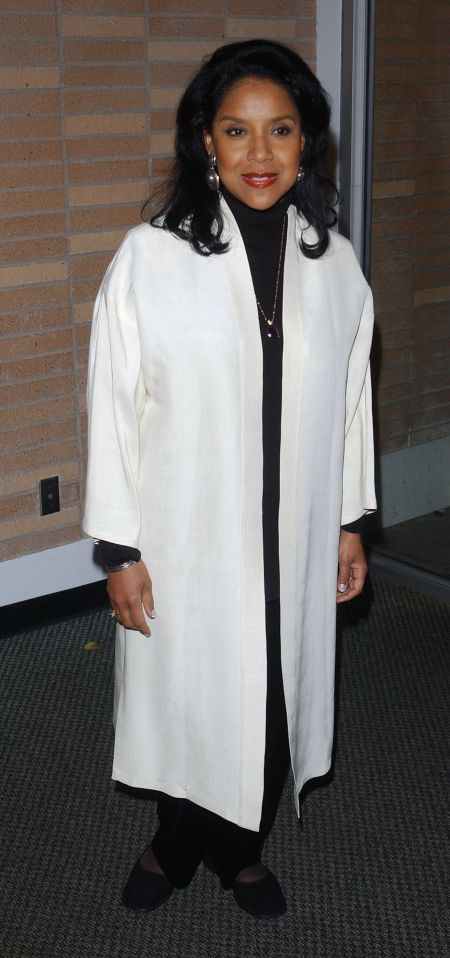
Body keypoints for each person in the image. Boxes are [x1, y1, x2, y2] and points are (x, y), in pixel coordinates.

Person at [83, 38, 376, 919]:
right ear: (205, 141)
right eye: (236, 130)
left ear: (306, 141)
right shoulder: (152, 258)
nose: (260, 153)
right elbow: (111, 404)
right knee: (194, 704)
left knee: (277, 706)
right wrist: (120, 550)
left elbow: (353, 404)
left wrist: (348, 524)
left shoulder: (334, 262)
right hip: (188, 537)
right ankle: (177, 845)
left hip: (297, 533)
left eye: (280, 130)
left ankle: (237, 849)